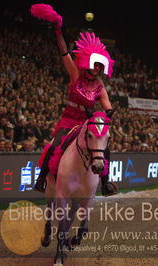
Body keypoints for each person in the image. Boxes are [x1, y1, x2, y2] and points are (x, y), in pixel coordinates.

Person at [31, 4, 117, 196]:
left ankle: (106, 182)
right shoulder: (75, 74)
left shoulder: (100, 86)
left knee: (104, 147)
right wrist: (58, 30)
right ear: (88, 63)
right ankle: (41, 180)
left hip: (86, 124)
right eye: (93, 66)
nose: (95, 70)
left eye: (99, 67)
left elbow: (107, 107)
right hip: (68, 121)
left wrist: (106, 117)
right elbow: (64, 52)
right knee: (54, 146)